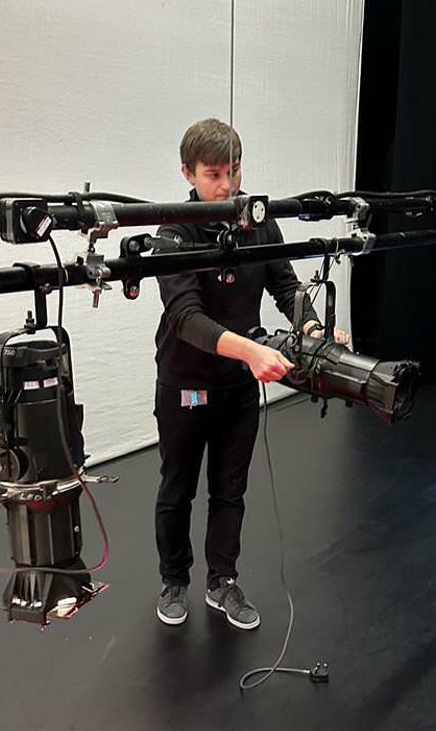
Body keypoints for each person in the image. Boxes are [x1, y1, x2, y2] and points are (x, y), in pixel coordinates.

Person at [153, 118, 349, 630]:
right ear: (188, 174)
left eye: (234, 172)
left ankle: (223, 581)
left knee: (230, 489)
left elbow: (285, 284)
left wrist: (310, 326)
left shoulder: (258, 221)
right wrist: (250, 352)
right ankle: (175, 580)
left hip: (238, 385)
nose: (227, 185)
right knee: (178, 488)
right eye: (214, 174)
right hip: (186, 382)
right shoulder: (173, 231)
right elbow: (185, 317)